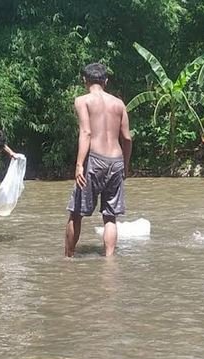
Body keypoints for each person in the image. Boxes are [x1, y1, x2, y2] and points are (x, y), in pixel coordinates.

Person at [65, 63, 132, 257]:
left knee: (76, 213)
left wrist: (79, 165)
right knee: (110, 217)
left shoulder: (82, 100)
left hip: (93, 160)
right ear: (106, 81)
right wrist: (125, 166)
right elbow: (127, 138)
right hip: (116, 160)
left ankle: (68, 259)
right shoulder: (119, 104)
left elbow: (86, 132)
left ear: (84, 80)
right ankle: (110, 261)